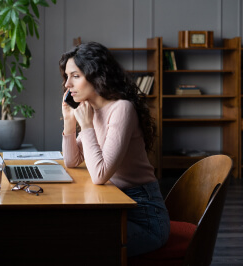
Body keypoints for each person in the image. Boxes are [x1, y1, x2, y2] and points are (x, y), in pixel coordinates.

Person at [59, 42, 170, 257]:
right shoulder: (92, 110)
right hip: (114, 205)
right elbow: (72, 162)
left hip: (144, 217)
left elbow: (100, 174)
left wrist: (88, 126)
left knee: (76, 244)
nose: (67, 85)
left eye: (75, 76)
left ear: (95, 75)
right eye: (66, 76)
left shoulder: (121, 108)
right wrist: (69, 121)